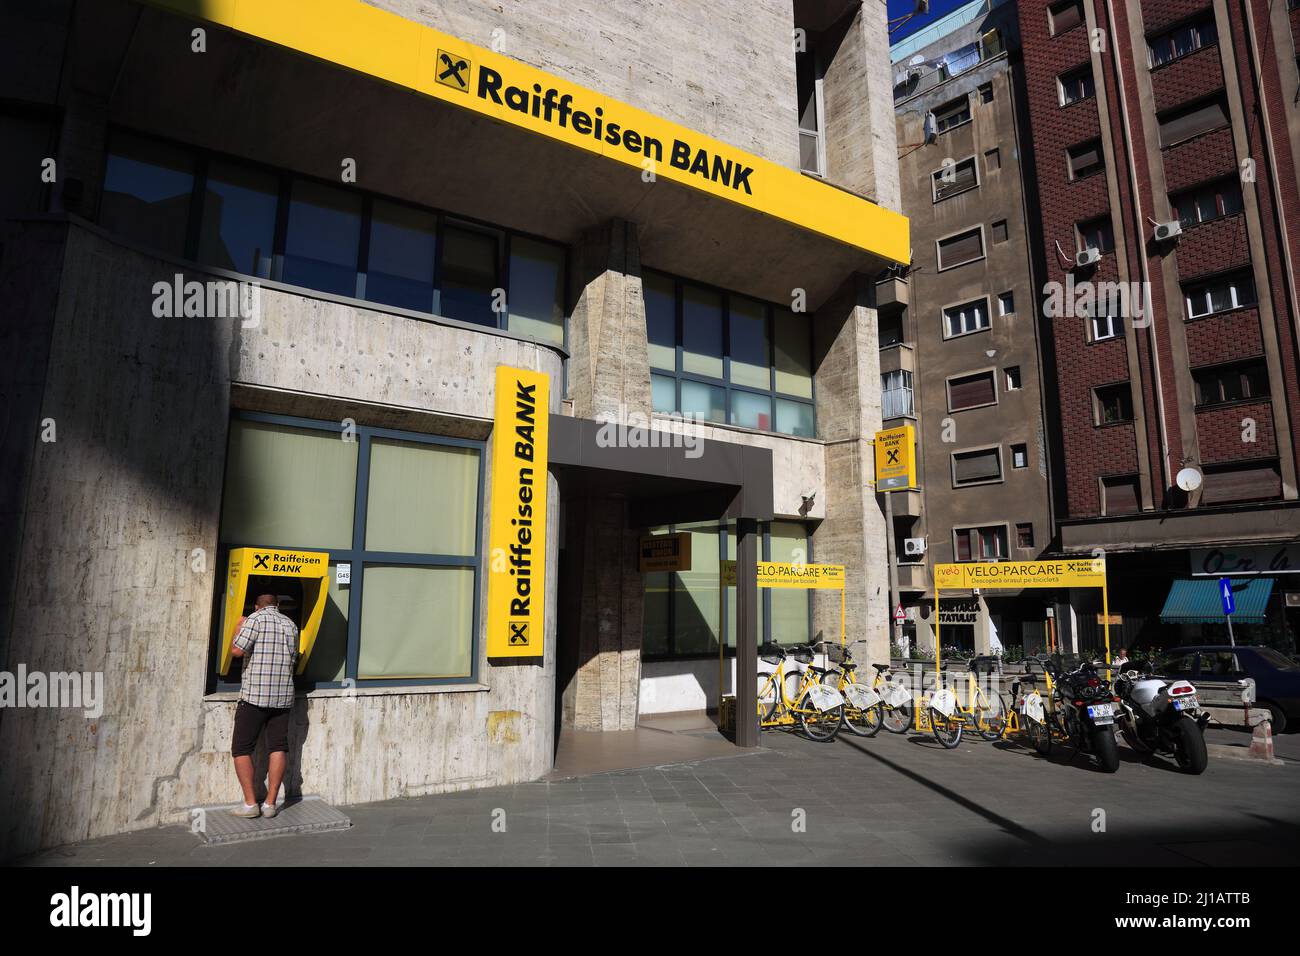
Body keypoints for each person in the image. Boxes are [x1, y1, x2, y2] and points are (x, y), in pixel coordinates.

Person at [228, 593, 299, 818]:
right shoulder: (291, 624)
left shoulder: (254, 619)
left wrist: (238, 626)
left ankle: (250, 804)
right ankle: (270, 804)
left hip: (254, 696)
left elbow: (237, 651)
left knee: (241, 748)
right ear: (277, 605)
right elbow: (295, 657)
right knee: (278, 747)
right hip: (283, 696)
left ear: (257, 606)